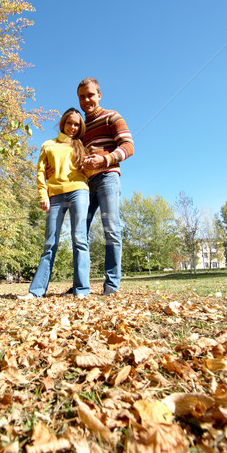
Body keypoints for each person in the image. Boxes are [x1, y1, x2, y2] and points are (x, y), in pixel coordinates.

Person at [69, 77, 134, 295]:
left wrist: (105, 160)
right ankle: (80, 286)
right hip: (85, 185)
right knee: (79, 232)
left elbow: (128, 145)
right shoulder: (81, 128)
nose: (86, 99)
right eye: (82, 96)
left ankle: (112, 285)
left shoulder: (111, 116)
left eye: (90, 94)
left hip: (108, 178)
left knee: (111, 229)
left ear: (99, 95)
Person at [18, 108, 90, 300]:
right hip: (55, 196)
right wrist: (43, 195)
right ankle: (36, 291)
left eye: (77, 124)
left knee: (80, 239)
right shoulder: (48, 145)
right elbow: (41, 172)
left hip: (79, 192)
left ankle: (81, 291)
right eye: (69, 123)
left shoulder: (81, 146)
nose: (73, 127)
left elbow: (89, 172)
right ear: (63, 123)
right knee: (50, 243)